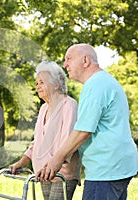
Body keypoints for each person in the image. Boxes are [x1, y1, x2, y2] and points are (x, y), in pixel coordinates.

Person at [36, 43, 138, 200]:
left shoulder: (95, 84)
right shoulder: (103, 81)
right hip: (116, 167)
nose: (65, 64)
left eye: (69, 59)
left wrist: (56, 159)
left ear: (85, 60)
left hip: (105, 170)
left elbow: (83, 131)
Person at [9, 61, 81, 200]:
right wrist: (20, 163)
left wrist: (48, 166)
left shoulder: (69, 105)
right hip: (43, 173)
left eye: (42, 82)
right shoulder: (43, 109)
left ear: (56, 84)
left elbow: (68, 142)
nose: (38, 86)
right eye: (37, 83)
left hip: (62, 173)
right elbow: (36, 143)